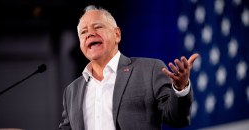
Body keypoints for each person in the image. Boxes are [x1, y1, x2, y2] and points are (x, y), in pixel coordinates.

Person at [59, 5, 199, 130]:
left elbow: (177, 120)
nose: (89, 34)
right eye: (83, 32)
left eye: (97, 27)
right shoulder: (72, 91)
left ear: (117, 34)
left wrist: (180, 89)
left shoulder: (149, 70)